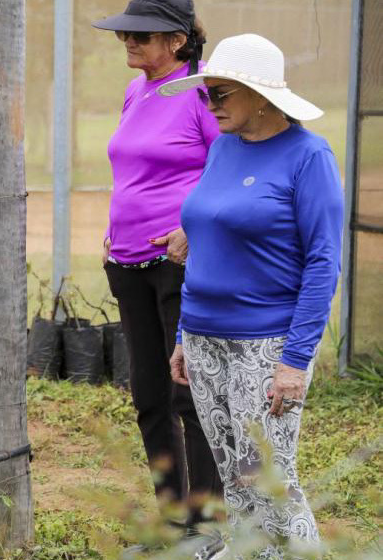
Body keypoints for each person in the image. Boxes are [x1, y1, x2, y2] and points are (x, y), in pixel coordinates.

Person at [162, 33, 341, 560]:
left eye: (220, 94)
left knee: (270, 479)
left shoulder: (309, 156)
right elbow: (207, 245)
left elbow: (324, 263)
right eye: (205, 95)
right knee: (234, 477)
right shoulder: (221, 148)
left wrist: (295, 361)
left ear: (260, 95)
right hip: (203, 338)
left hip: (265, 346)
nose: (210, 105)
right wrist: (182, 336)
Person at [92, 0, 224, 540]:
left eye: (141, 35)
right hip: (126, 264)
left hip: (178, 265)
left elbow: (230, 166)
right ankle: (173, 521)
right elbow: (132, 170)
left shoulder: (201, 91)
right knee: (148, 394)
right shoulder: (135, 90)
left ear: (177, 40)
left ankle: (207, 526)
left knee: (185, 393)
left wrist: (194, 230)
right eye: (125, 33)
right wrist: (112, 230)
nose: (129, 42)